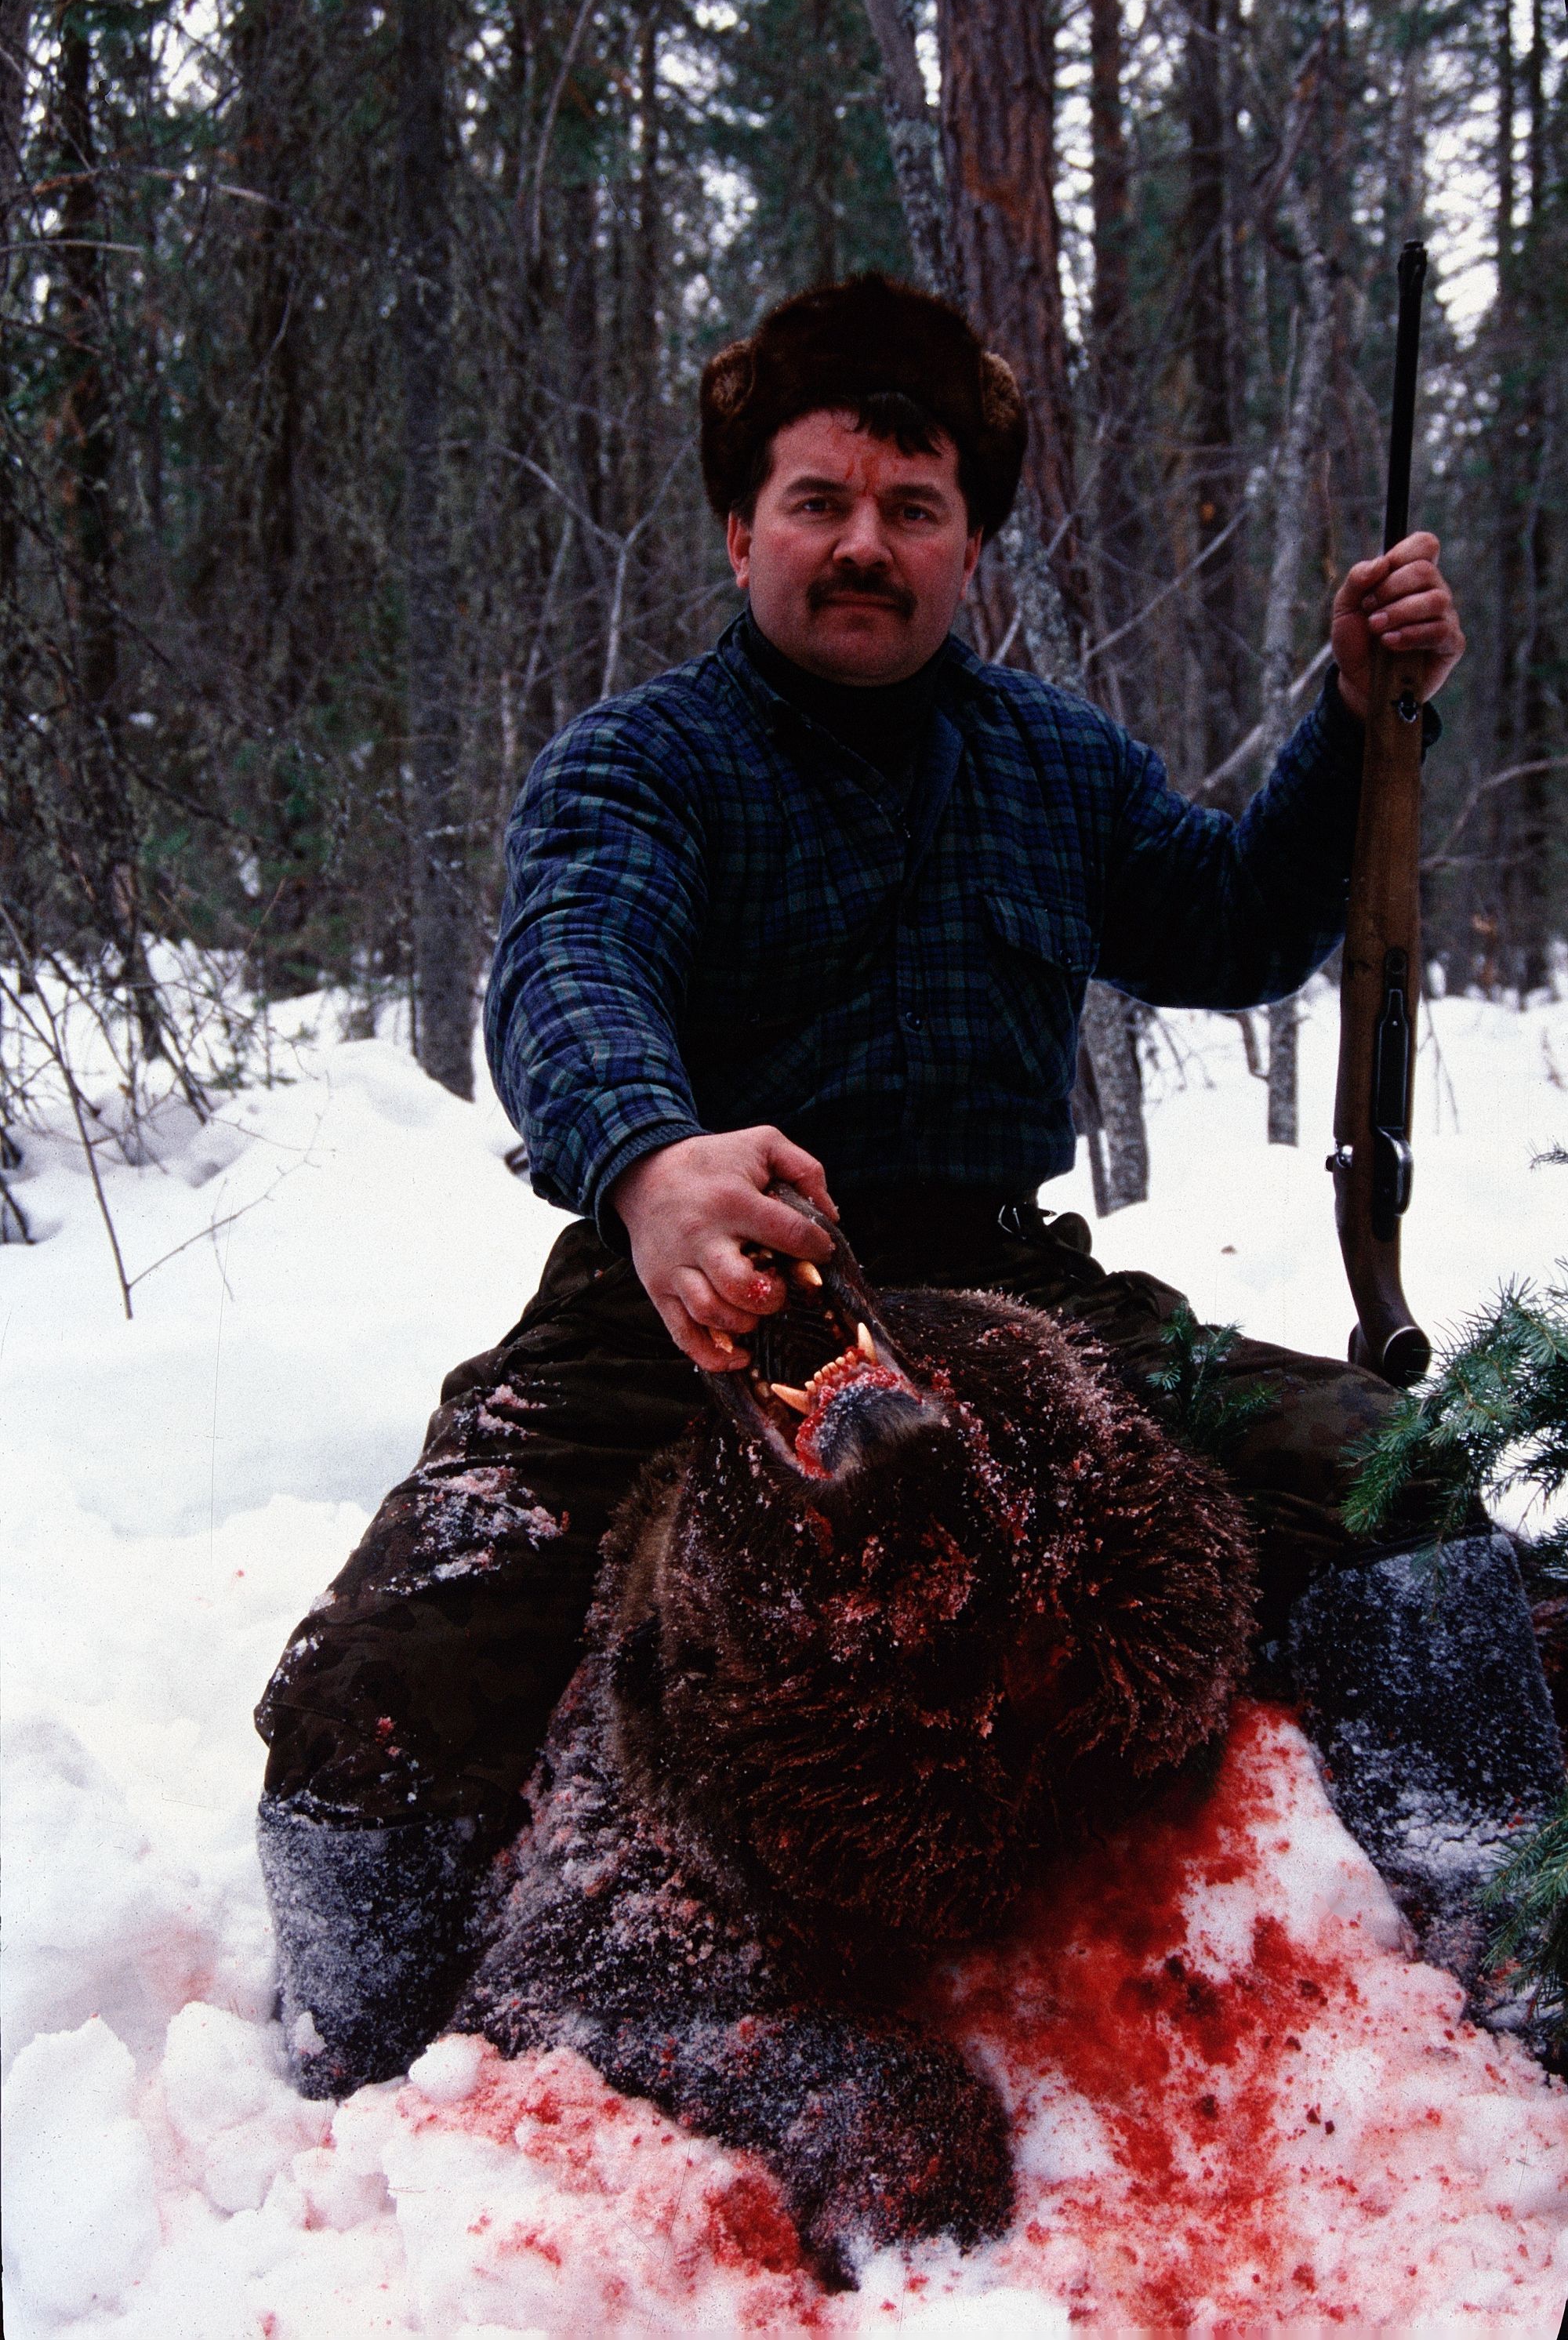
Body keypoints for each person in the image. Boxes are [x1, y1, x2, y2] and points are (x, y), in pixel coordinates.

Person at [255, 274, 1559, 2101]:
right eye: (818, 501)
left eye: (912, 509)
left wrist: (1353, 719)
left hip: (1011, 1279)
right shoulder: (642, 764)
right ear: (739, 527)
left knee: (1397, 1479)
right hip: (699, 1280)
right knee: (383, 1683)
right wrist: (648, 1159)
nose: (863, 545)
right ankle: (354, 2052)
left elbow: (1240, 926)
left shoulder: (1051, 762)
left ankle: (1507, 1925)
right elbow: (567, 964)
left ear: (970, 548)